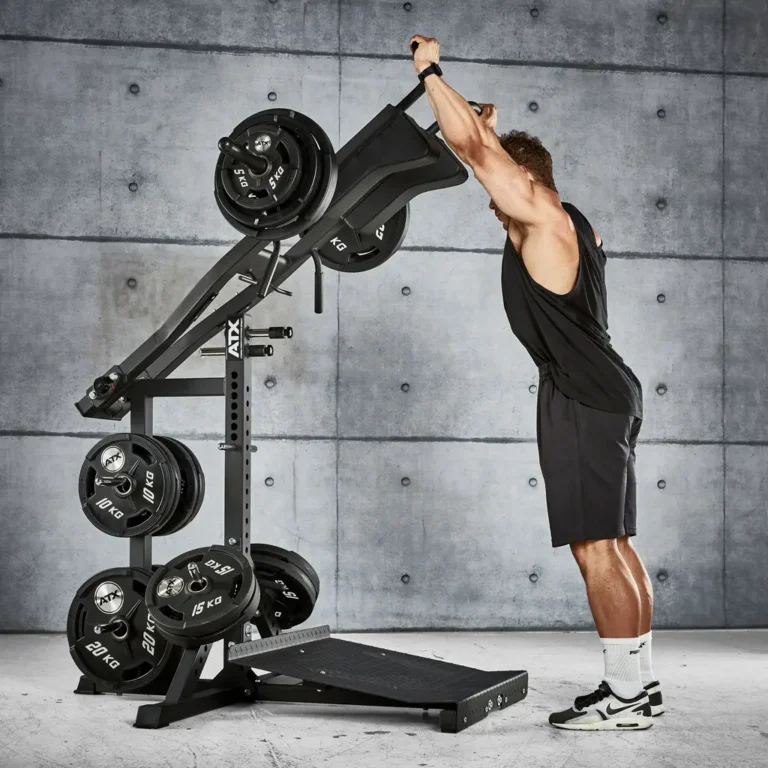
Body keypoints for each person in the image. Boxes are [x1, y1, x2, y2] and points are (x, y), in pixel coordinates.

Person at [409, 34, 662, 731]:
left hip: (581, 395)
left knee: (594, 548)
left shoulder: (541, 214)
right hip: (605, 389)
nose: (490, 202)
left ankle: (625, 701)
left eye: (498, 186)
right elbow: (485, 154)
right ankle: (637, 684)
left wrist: (430, 70)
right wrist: (483, 134)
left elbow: (484, 160)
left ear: (523, 179)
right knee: (613, 543)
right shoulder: (573, 221)